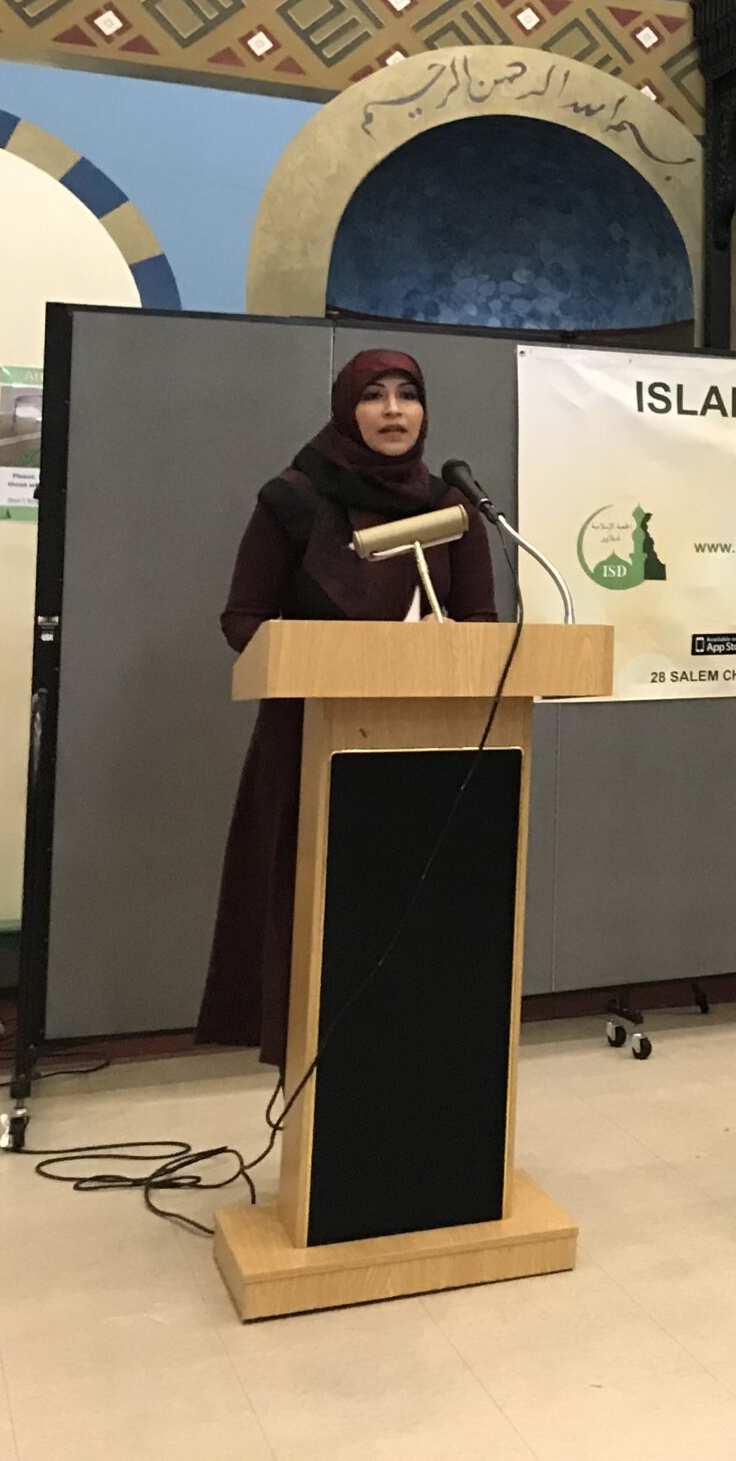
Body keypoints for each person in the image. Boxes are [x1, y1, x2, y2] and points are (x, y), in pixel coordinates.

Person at [198, 350, 497, 1064]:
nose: (394, 411)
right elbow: (242, 619)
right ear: (345, 408)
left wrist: (445, 645)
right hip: (312, 739)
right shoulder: (293, 501)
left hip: (428, 750)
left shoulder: (452, 510)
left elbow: (482, 624)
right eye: (374, 396)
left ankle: (417, 1077)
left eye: (408, 396)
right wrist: (331, 655)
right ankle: (315, 1068)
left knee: (418, 922)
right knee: (321, 921)